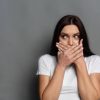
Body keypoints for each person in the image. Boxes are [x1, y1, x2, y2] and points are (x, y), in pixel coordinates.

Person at [37, 15, 100, 100]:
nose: (70, 43)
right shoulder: (45, 60)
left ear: (82, 39)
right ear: (57, 39)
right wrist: (61, 65)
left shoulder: (94, 60)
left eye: (75, 36)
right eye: (64, 36)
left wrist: (80, 62)